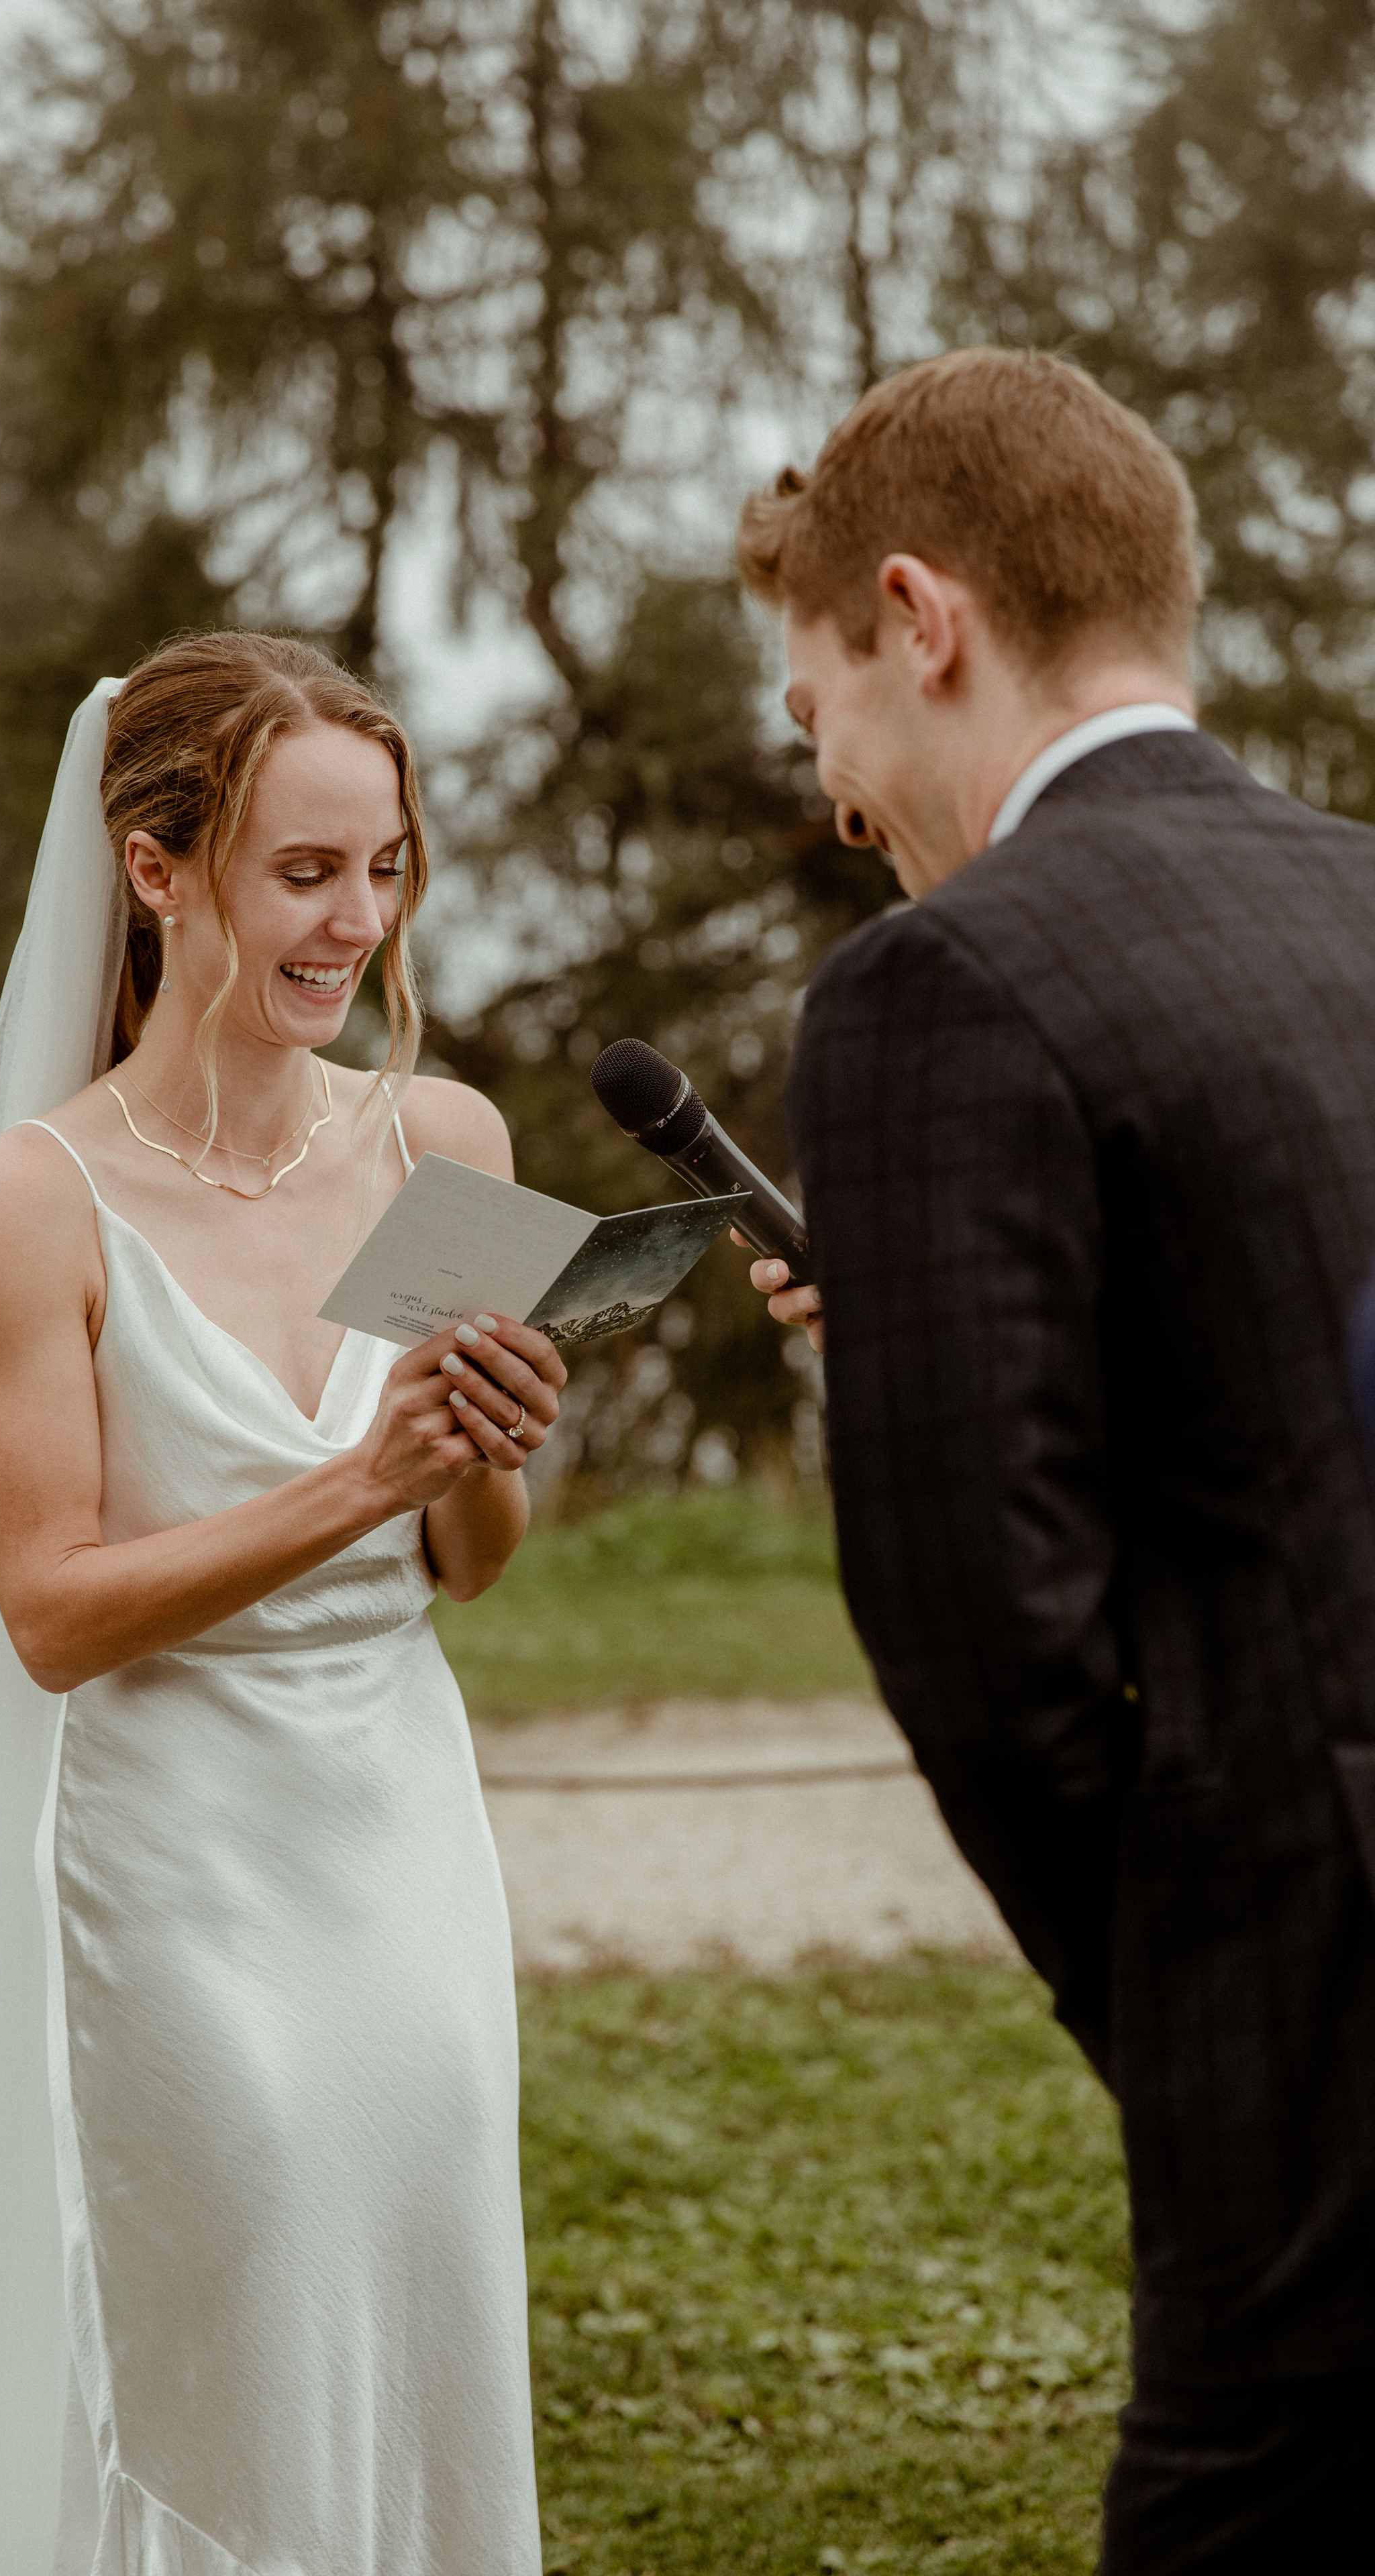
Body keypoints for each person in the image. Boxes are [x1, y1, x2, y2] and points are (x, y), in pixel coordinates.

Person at [0, 633, 559, 2576]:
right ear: (155, 870)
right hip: (180, 1868)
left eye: (384, 867)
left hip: (402, 1837)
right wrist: (359, 1479)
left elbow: (473, 1557)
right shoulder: (27, 1202)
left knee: (419, 2295)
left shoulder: (445, 1144)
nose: (358, 923)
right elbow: (53, 1613)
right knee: (230, 2328)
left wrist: (477, 1451)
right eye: (304, 872)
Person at [736, 351, 1375, 2571]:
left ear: (922, 619)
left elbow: (987, 1642)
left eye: (817, 709)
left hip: (1307, 2008)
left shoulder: (941, 986)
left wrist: (1180, 1993)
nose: (838, 796)